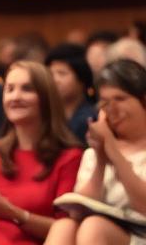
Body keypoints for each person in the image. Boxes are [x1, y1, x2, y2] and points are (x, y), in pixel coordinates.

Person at [0, 61, 82, 244]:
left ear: (46, 97)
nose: (15, 97)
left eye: (26, 89)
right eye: (9, 89)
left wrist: (16, 214)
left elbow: (66, 229)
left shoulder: (69, 157)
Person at [44, 59, 146, 245]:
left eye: (120, 99)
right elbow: (78, 210)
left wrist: (113, 152)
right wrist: (100, 158)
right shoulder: (93, 153)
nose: (112, 109)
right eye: (105, 102)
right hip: (101, 229)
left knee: (94, 227)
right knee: (64, 226)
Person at [44, 44, 96, 145]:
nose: (55, 80)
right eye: (50, 74)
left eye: (62, 73)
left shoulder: (89, 119)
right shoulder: (46, 115)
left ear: (81, 80)